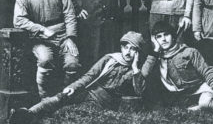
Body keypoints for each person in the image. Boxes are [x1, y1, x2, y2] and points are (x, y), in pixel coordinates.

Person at [9, 31, 156, 124]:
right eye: (125, 47)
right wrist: (73, 87)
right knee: (60, 97)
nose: (128, 52)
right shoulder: (110, 59)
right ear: (121, 47)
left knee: (67, 112)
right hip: (88, 91)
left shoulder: (137, 69)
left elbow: (140, 91)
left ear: (138, 52)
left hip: (104, 102)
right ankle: (27, 114)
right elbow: (90, 76)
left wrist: (136, 68)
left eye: (133, 49)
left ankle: (35, 118)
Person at [141, 21, 213, 119]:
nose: (163, 39)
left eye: (166, 35)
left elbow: (207, 70)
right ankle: (206, 108)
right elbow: (144, 74)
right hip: (182, 98)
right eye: (159, 37)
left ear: (173, 36)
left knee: (205, 102)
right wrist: (155, 50)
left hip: (201, 90)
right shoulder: (157, 58)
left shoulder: (189, 52)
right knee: (184, 110)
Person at [13, 0, 81, 99]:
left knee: (72, 63)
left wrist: (70, 38)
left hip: (63, 35)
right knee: (45, 60)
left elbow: (69, 13)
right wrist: (41, 29)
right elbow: (18, 20)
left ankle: (66, 97)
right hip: (40, 38)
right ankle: (45, 99)